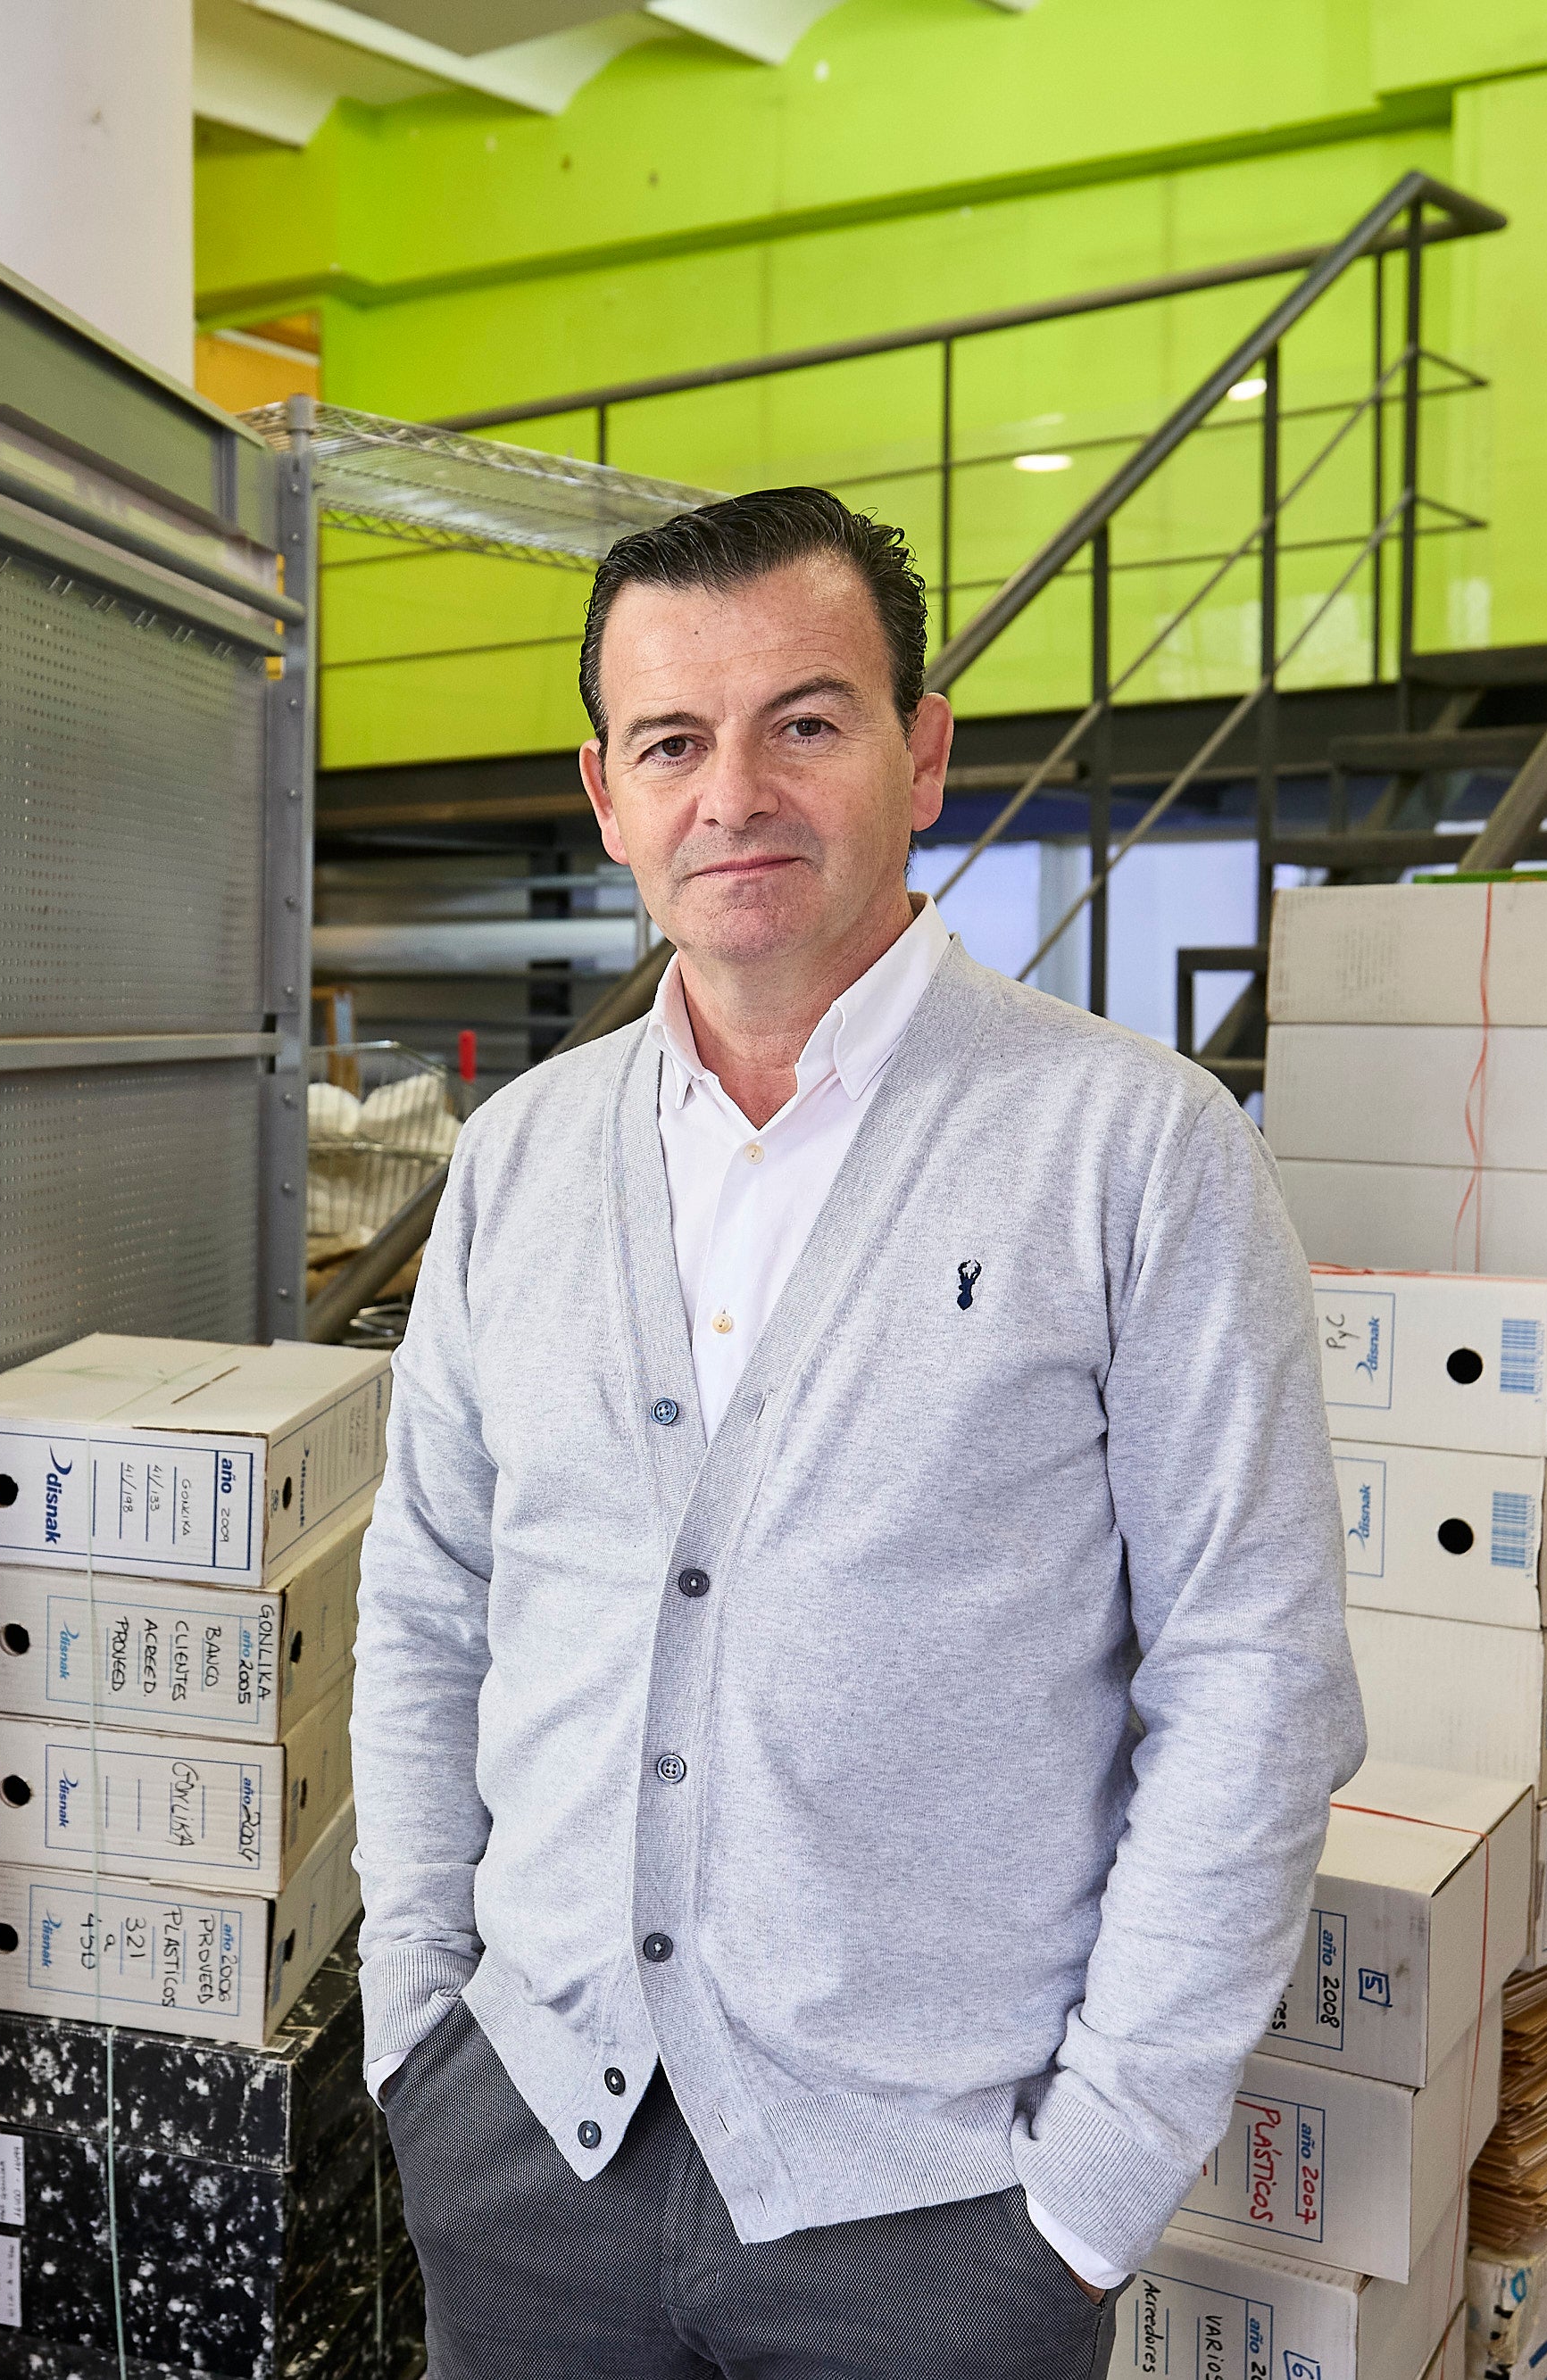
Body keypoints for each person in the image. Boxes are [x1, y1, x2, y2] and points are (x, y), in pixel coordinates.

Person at [350, 486, 1362, 2378]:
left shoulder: (1133, 1156)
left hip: (933, 2221)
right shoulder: (516, 1161)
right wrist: (419, 2017)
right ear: (605, 791)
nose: (731, 789)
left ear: (923, 757)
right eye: (671, 739)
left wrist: (1086, 2184)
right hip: (523, 2156)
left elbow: (1253, 1678)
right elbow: (428, 1601)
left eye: (802, 721)